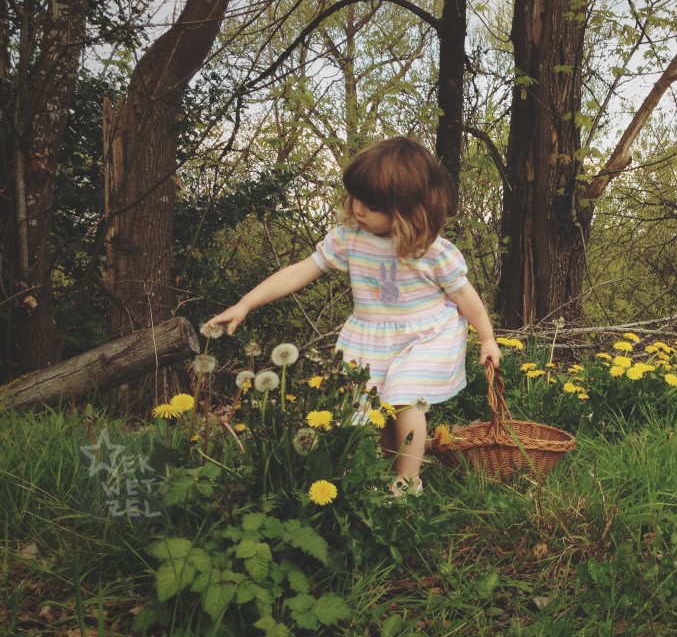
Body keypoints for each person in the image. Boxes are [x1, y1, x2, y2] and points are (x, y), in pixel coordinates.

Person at [206, 136, 501, 495]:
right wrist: (246, 303)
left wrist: (486, 337)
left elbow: (465, 296)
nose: (359, 210)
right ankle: (380, 474)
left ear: (408, 210)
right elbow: (300, 271)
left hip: (427, 335)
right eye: (356, 198)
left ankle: (408, 482)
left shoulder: (431, 251)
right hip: (370, 335)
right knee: (366, 406)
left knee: (405, 395)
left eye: (372, 205)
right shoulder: (349, 239)